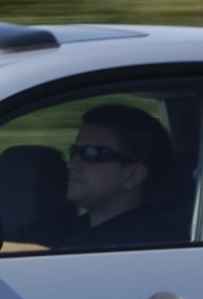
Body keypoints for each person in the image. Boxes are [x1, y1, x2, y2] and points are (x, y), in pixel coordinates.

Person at [60, 103, 191, 249]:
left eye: (92, 153)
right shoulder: (72, 229)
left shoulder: (142, 243)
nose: (71, 165)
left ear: (134, 175)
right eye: (74, 152)